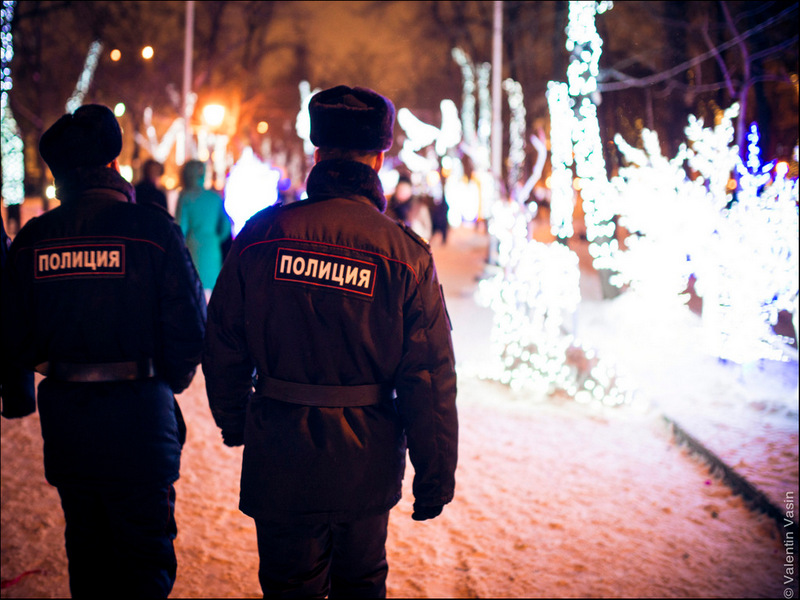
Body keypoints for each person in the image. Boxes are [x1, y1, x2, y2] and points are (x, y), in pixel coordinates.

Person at [203, 85, 458, 598]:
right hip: (365, 462)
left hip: (280, 451)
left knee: (287, 586)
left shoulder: (261, 235)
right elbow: (426, 375)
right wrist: (434, 474)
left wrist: (235, 420)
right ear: (381, 156)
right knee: (360, 586)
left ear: (316, 152)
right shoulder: (403, 254)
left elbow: (223, 340)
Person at [0, 104, 207, 598]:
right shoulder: (153, 230)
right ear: (114, 165)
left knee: (88, 555)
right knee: (145, 561)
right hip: (141, 420)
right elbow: (190, 329)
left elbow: (14, 335)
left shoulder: (34, 240)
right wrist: (162, 380)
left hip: (70, 423)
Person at [176, 159, 231, 300]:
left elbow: (181, 228)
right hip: (212, 247)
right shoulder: (215, 197)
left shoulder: (185, 196)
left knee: (193, 291)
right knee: (210, 291)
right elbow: (226, 226)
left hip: (193, 246)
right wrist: (215, 238)